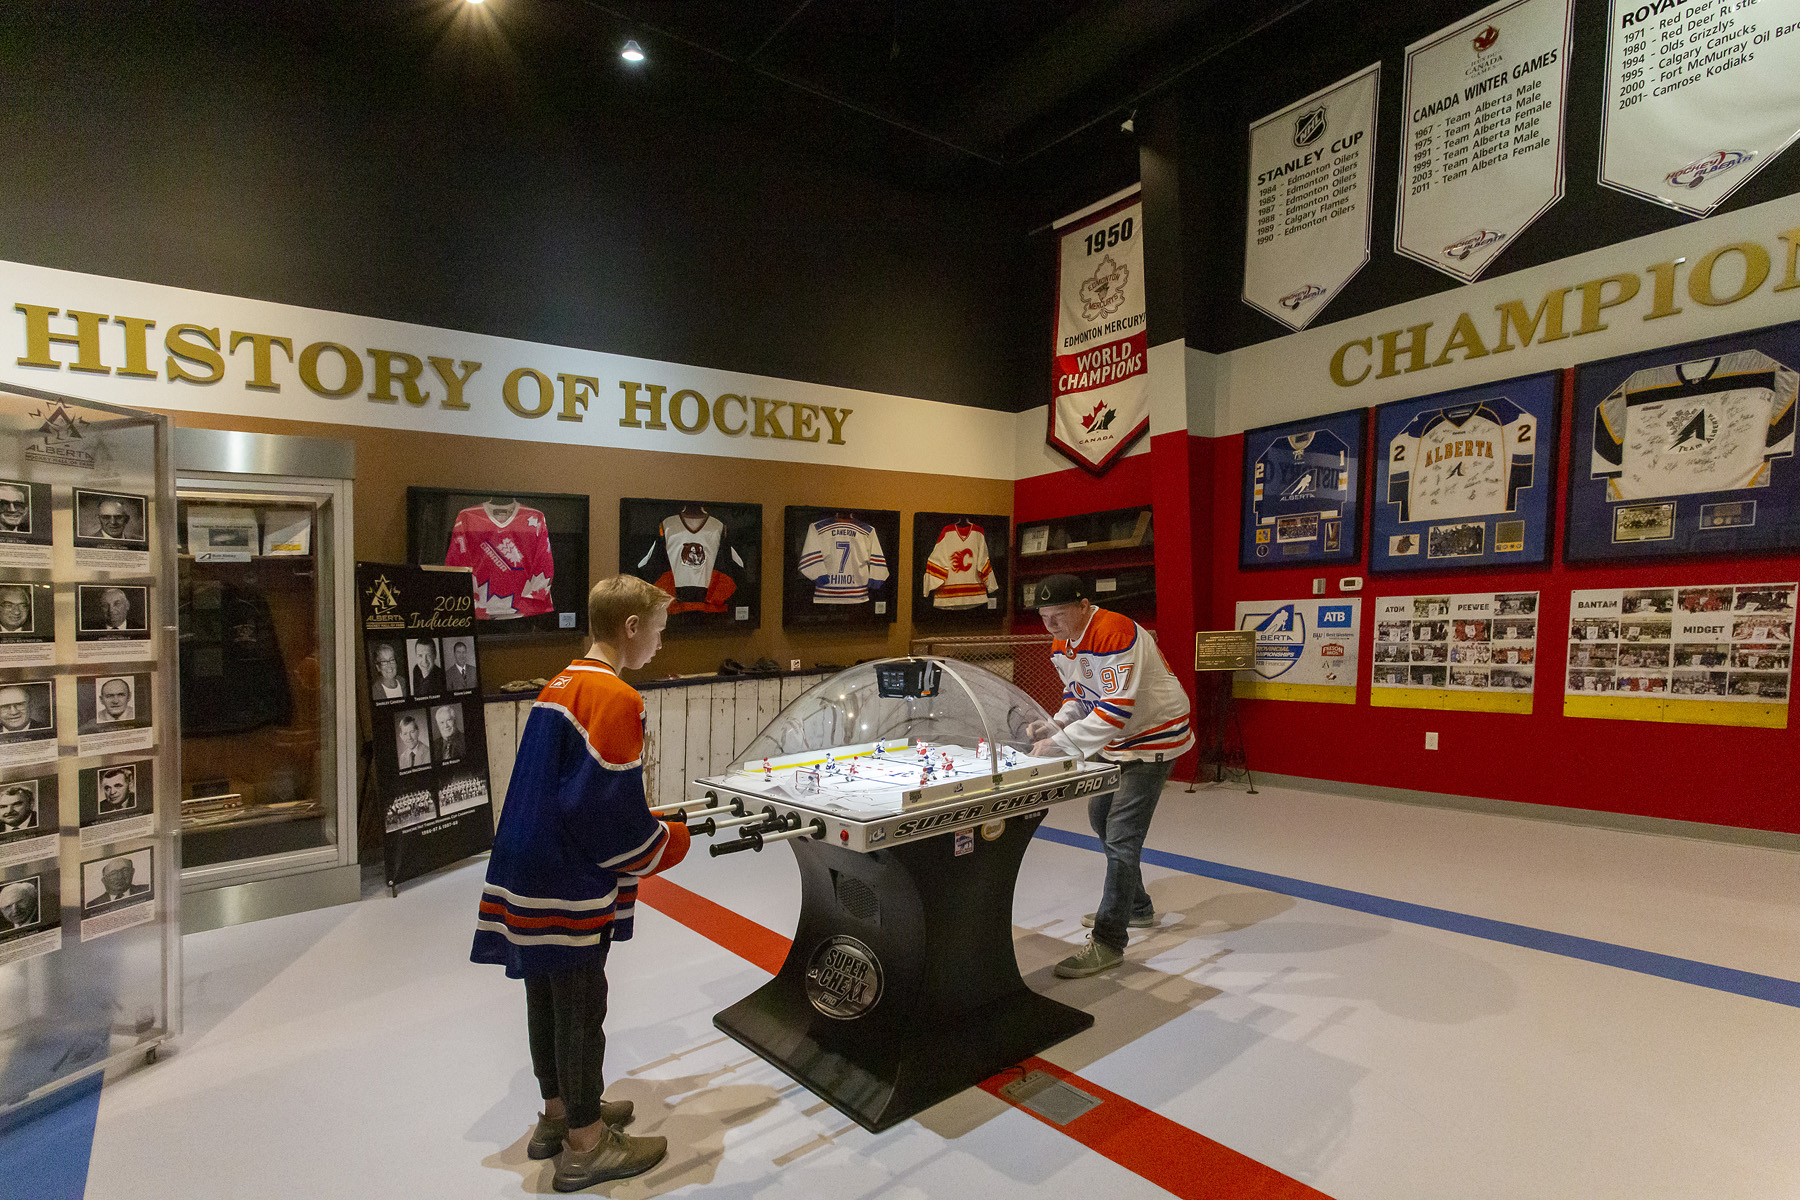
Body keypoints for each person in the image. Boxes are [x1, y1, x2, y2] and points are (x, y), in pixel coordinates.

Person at [471, 575, 688, 1191]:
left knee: (545, 992)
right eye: (658, 632)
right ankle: (588, 1145)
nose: (659, 646)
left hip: (527, 861)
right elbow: (606, 818)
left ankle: (560, 1113)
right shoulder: (616, 698)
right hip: (566, 876)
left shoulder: (559, 682)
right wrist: (668, 841)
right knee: (581, 1004)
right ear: (631, 628)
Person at [1025, 574, 1194, 979]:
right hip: (1118, 737)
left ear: (1083, 606)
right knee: (1101, 818)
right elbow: (1078, 695)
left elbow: (1114, 709)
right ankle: (1136, 907)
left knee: (1121, 835)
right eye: (1044, 616)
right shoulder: (1064, 641)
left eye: (1058, 614)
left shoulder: (1114, 631)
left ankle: (1109, 941)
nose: (1050, 624)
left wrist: (1062, 744)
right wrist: (1056, 725)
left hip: (1153, 735)